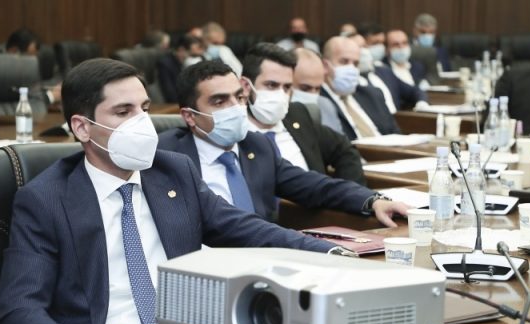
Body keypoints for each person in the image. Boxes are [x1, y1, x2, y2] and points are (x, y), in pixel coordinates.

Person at [0, 58, 339, 324]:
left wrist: (335, 253)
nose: (141, 122)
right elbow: (18, 312)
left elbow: (251, 230)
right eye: (123, 112)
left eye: (144, 108)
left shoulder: (173, 172)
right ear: (82, 127)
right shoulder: (46, 199)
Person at [157, 60, 409, 224]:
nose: (236, 108)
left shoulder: (257, 146)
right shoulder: (166, 155)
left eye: (239, 97)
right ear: (189, 116)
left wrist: (373, 201)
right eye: (220, 101)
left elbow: (318, 186)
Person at [241, 43, 365, 184]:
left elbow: (344, 149)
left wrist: (349, 193)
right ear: (246, 86)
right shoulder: (234, 131)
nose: (280, 94)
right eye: (271, 85)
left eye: (287, 87)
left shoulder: (297, 114)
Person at [320, 36, 401, 141]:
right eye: (344, 62)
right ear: (325, 66)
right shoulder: (319, 103)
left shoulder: (373, 95)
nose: (351, 68)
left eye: (355, 64)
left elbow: (396, 134)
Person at [292, 47, 345, 133]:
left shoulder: (326, 106)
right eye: (305, 88)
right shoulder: (275, 112)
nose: (313, 94)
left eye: (318, 88)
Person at [6, 28, 62, 103]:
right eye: (29, 58)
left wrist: (50, 88)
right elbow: (20, 100)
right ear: (13, 51)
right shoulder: (1, 73)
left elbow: (33, 88)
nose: (33, 63)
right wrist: (51, 96)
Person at [157, 34, 205, 102]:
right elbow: (170, 94)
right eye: (192, 55)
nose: (194, 58)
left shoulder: (199, 59)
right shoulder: (165, 65)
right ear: (181, 50)